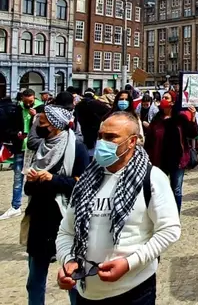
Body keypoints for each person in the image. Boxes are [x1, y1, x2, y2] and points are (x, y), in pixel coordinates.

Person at [56, 112, 181, 304]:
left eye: (111, 137)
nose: (102, 143)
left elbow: (169, 230)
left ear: (131, 142)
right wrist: (68, 261)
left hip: (134, 290)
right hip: (86, 292)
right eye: (100, 136)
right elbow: (66, 231)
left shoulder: (152, 178)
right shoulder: (86, 181)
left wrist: (130, 263)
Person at [25, 105, 89, 305]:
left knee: (72, 276)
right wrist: (33, 180)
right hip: (38, 216)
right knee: (35, 278)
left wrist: (53, 179)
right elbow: (27, 188)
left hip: (64, 217)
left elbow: (83, 184)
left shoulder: (76, 148)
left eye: (42, 122)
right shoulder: (39, 147)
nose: (38, 125)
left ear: (54, 125)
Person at [143, 91, 198, 213]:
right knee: (160, 190)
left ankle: (175, 215)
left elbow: (193, 134)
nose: (163, 99)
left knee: (176, 190)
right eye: (163, 97)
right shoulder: (157, 119)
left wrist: (193, 118)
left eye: (166, 98)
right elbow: (150, 140)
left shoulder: (180, 118)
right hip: (160, 160)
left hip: (177, 160)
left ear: (173, 102)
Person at [0, 89, 42, 221]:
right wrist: (16, 134)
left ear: (34, 98)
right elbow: (8, 128)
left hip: (36, 148)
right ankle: (16, 206)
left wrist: (37, 117)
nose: (29, 104)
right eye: (26, 102)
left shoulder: (41, 108)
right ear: (22, 99)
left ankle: (36, 205)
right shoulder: (16, 109)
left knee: (37, 176)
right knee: (18, 178)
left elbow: (47, 129)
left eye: (31, 101)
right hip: (20, 147)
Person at [75, 89, 111, 157]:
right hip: (96, 127)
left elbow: (76, 117)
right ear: (93, 95)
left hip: (84, 127)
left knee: (88, 143)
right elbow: (108, 111)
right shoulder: (97, 103)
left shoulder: (78, 105)